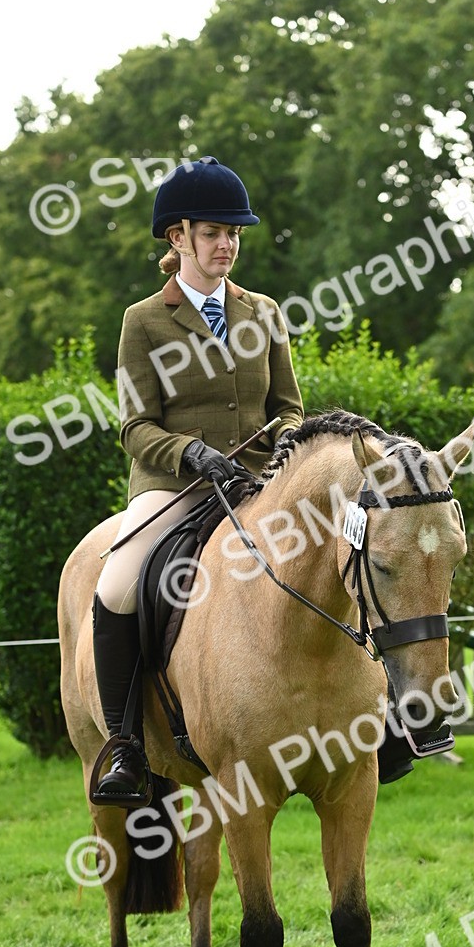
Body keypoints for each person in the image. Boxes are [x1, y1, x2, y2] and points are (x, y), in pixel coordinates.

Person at [91, 155, 304, 806]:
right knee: (117, 582)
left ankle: (380, 722)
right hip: (173, 486)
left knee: (346, 551)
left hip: (258, 484)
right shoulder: (145, 320)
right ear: (177, 238)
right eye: (213, 232)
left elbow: (288, 405)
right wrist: (192, 455)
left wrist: (291, 442)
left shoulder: (264, 311)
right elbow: (134, 426)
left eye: (234, 233)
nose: (226, 244)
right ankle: (126, 744)